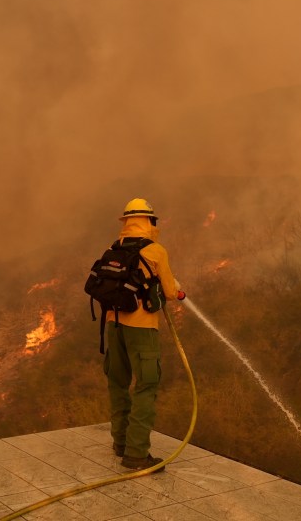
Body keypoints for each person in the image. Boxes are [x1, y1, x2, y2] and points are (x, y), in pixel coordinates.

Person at [103, 197, 184, 470]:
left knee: (118, 383)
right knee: (146, 386)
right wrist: (178, 291)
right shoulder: (155, 251)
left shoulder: (113, 248)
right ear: (149, 221)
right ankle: (137, 454)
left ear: (126, 222)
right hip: (141, 328)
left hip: (113, 326)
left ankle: (121, 443)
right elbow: (171, 291)